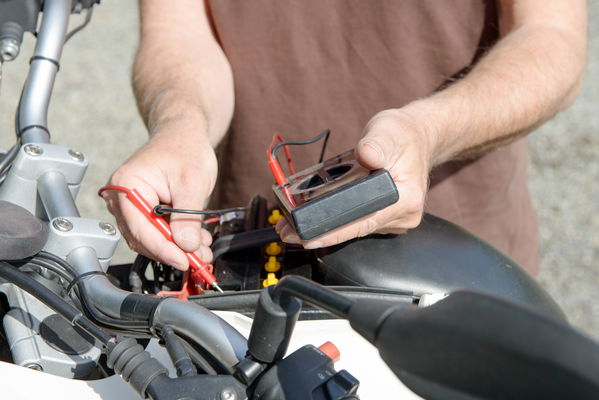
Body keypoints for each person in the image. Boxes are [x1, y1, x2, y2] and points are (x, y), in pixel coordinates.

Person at [102, 0, 586, 276]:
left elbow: (551, 37)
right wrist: (183, 125)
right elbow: (178, 29)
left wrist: (428, 131)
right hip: (251, 257)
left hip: (456, 263)